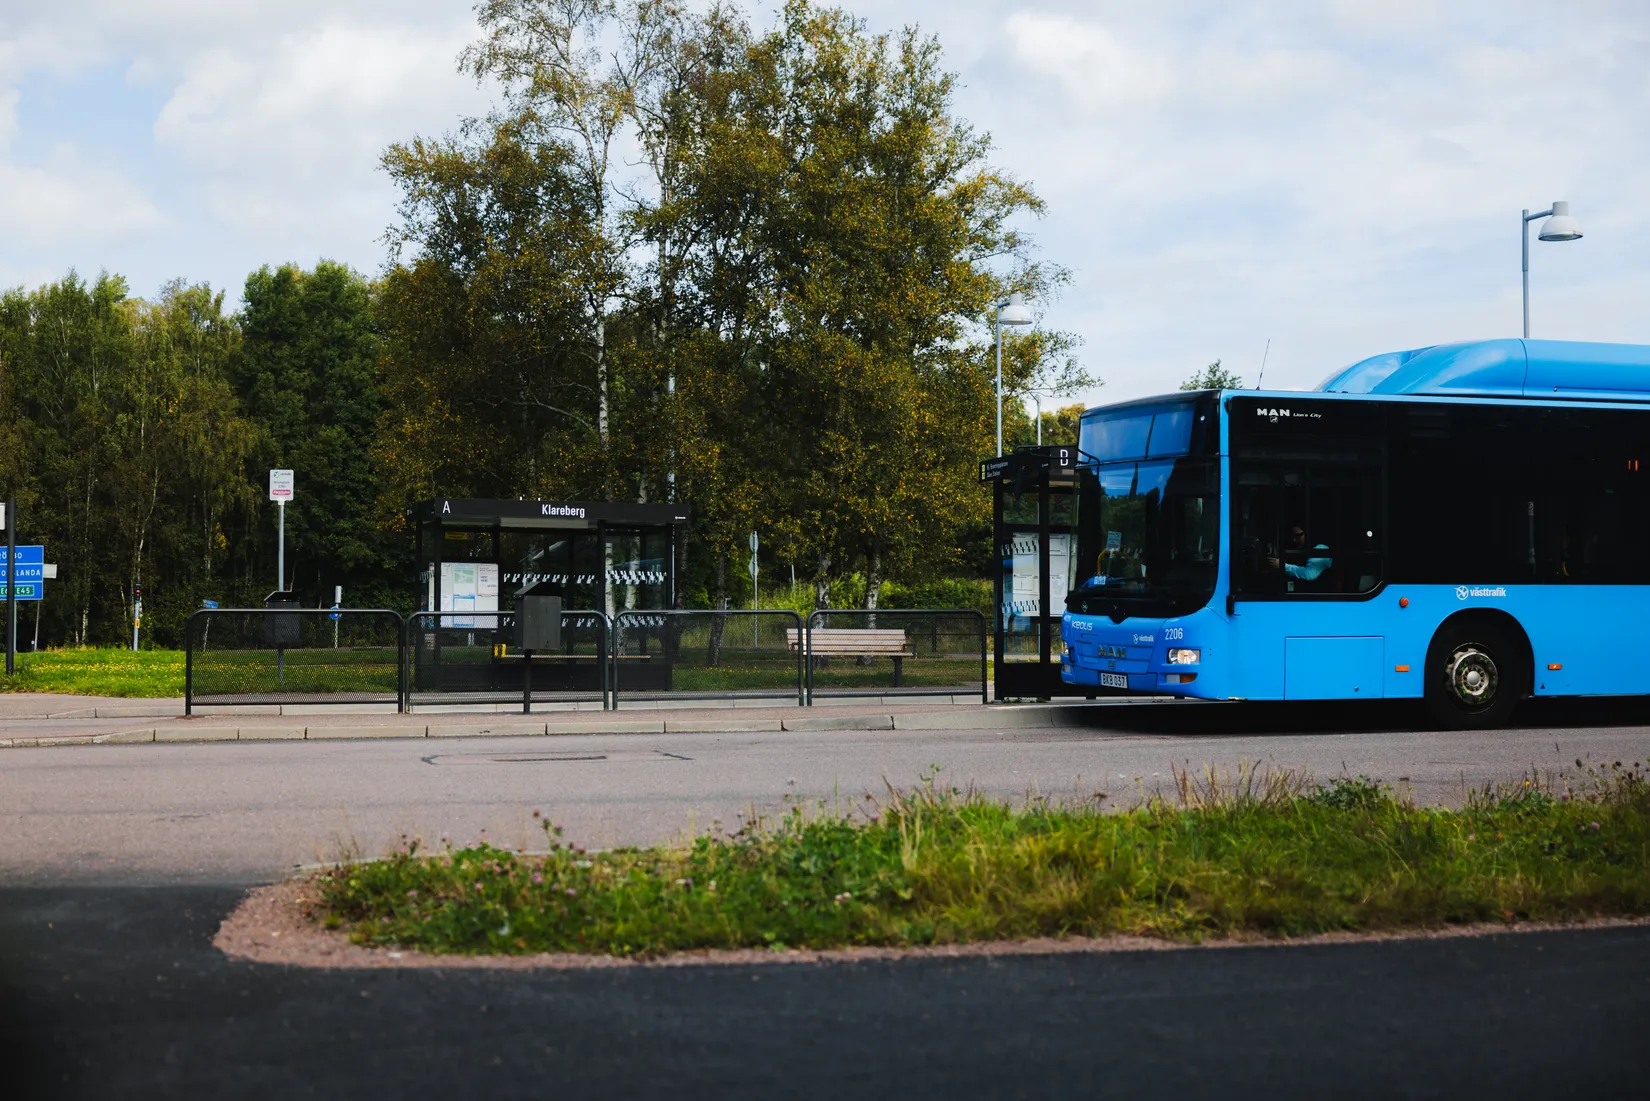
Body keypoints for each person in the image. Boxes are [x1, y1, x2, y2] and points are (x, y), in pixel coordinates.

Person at [1267, 525, 1332, 582]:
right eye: (1293, 536)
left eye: (1298, 536)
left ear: (1308, 534)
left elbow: (1309, 575)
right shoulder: (1303, 549)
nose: (1294, 540)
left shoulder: (1321, 548)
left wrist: (1283, 566)